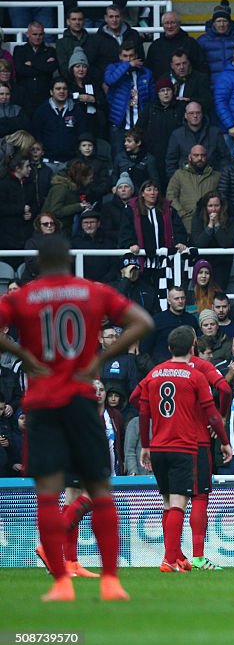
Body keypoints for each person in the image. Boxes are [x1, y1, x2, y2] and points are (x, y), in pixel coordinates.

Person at [0, 235, 153, 601]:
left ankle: (61, 584)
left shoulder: (24, 296)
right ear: (69, 261)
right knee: (99, 490)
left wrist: (21, 353)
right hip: (82, 399)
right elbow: (142, 321)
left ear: (38, 263)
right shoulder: (91, 291)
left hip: (41, 401)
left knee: (48, 496)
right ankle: (111, 581)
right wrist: (98, 360)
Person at [137, 326, 231, 573]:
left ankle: (177, 557)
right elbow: (220, 399)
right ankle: (175, 558)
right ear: (193, 347)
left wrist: (145, 444)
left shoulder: (155, 372)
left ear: (169, 348)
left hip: (157, 445)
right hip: (188, 444)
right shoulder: (197, 373)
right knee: (189, 500)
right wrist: (223, 438)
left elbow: (141, 404)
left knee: (168, 502)